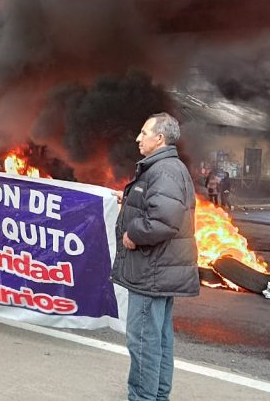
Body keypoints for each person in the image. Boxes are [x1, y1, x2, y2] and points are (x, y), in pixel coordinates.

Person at [112, 113, 198, 401]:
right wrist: (129, 202)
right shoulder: (167, 168)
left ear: (159, 138)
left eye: (144, 132)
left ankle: (143, 397)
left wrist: (134, 233)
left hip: (151, 270)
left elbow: (163, 220)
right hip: (158, 269)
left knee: (143, 340)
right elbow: (159, 207)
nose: (138, 138)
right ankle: (158, 395)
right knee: (158, 338)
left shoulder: (163, 171)